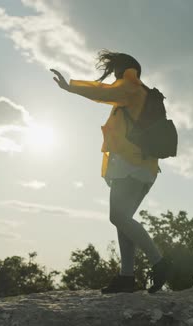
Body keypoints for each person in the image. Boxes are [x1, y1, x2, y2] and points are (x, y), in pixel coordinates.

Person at [51, 50, 172, 294]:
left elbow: (102, 92)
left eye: (116, 70)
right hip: (145, 168)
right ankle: (127, 277)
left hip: (130, 166)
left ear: (126, 70)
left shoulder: (131, 87)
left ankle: (159, 262)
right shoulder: (142, 93)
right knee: (123, 220)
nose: (114, 74)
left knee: (118, 217)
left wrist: (70, 87)